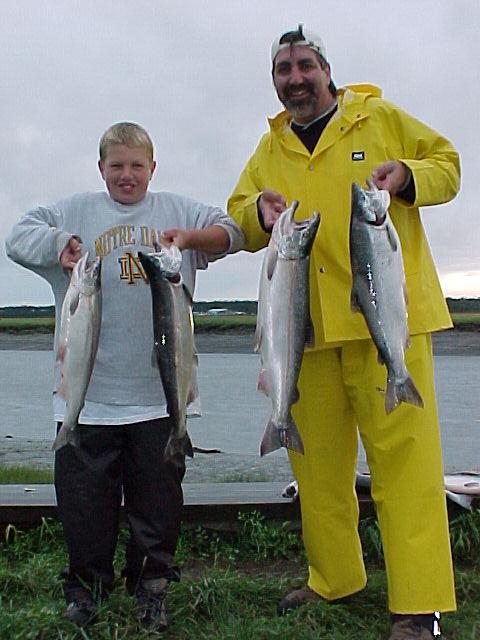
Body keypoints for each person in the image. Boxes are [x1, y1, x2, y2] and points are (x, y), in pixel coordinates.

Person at [228, 25, 460, 640]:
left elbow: (449, 166)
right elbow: (240, 214)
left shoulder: (377, 116)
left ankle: (421, 604)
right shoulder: (270, 146)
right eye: (283, 70)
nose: (295, 78)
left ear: (327, 71)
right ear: (275, 81)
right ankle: (334, 578)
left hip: (391, 327)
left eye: (305, 65)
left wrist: (408, 176)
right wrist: (259, 213)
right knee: (316, 469)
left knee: (406, 471)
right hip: (305, 333)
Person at [5, 121, 244, 631]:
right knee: (84, 509)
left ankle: (151, 589)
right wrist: (62, 244)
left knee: (156, 508)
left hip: (160, 401)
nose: (127, 176)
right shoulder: (75, 212)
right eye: (116, 166)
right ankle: (86, 590)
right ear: (101, 169)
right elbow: (16, 238)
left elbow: (234, 233)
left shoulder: (178, 211)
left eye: (137, 166)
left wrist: (192, 237)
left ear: (153, 168)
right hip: (84, 402)